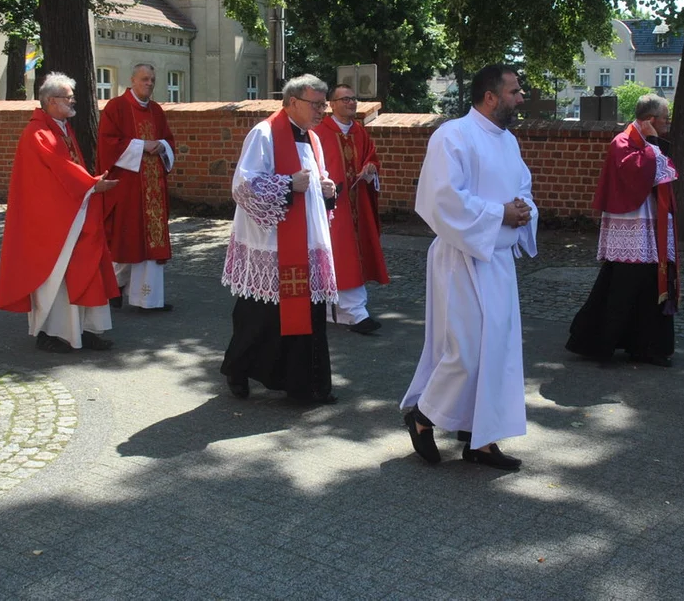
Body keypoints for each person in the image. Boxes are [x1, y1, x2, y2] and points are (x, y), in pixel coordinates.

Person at [400, 64, 537, 470]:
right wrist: (499, 214)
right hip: (461, 257)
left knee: (497, 350)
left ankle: (481, 440)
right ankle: (423, 418)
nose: (521, 97)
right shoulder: (453, 135)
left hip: (496, 260)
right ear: (491, 96)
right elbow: (440, 199)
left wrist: (524, 210)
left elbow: (522, 188)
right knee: (466, 351)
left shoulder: (508, 141)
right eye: (514, 91)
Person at [220, 74, 340, 403]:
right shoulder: (264, 134)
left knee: (310, 312)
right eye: (315, 104)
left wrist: (326, 189)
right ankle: (237, 369)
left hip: (307, 242)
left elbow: (315, 181)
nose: (322, 110)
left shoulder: (313, 139)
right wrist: (288, 185)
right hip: (271, 244)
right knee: (261, 316)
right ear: (291, 102)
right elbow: (244, 186)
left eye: (323, 104)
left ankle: (306, 383)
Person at [0, 72, 120, 353]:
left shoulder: (61, 128)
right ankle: (48, 333)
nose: (73, 101)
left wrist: (89, 185)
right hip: (50, 223)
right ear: (51, 101)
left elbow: (68, 168)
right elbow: (60, 169)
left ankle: (85, 330)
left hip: (72, 214)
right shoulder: (38, 133)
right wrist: (92, 185)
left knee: (82, 271)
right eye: (68, 97)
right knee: (55, 276)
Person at [566, 94, 679, 367]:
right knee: (623, 285)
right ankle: (598, 341)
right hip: (629, 225)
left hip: (651, 224)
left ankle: (647, 346)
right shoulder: (623, 141)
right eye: (665, 117)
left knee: (650, 284)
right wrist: (652, 145)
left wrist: (652, 146)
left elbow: (664, 171)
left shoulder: (645, 142)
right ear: (650, 120)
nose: (668, 122)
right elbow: (639, 173)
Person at [311, 83, 390, 334]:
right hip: (332, 206)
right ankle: (351, 312)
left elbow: (372, 158)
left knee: (354, 254)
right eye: (344, 99)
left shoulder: (360, 132)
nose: (350, 103)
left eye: (353, 99)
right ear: (331, 105)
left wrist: (370, 169)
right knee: (339, 255)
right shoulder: (319, 132)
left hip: (358, 202)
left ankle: (346, 310)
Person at [97, 64, 176, 312]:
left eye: (152, 79)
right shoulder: (116, 107)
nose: (149, 83)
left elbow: (168, 139)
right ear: (132, 80)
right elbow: (108, 144)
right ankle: (115, 287)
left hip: (153, 188)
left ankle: (148, 299)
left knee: (149, 242)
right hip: (128, 187)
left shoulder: (156, 110)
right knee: (127, 239)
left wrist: (162, 146)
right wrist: (142, 146)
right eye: (144, 79)